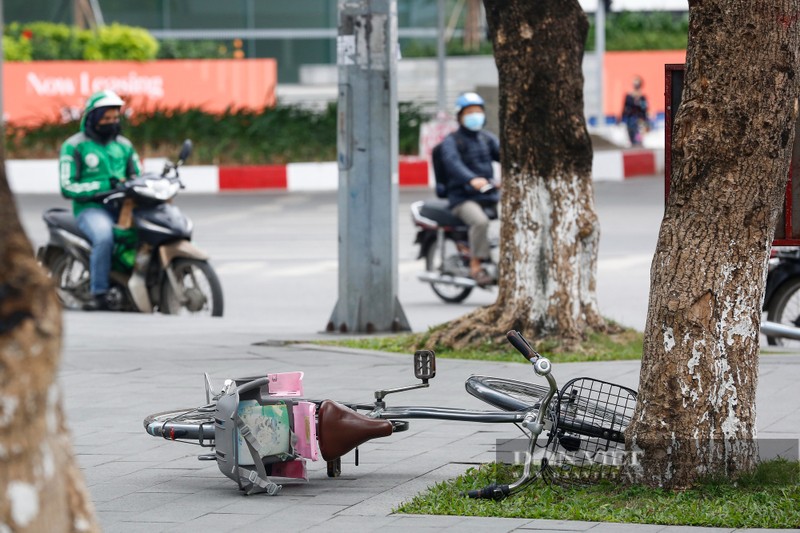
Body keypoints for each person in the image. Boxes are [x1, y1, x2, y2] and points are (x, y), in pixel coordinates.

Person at [59, 90, 142, 310]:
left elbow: (137, 176)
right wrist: (103, 186)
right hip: (91, 209)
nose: (111, 123)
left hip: (123, 208)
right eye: (106, 119)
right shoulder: (74, 146)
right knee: (104, 237)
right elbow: (67, 186)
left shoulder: (124, 146)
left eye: (115, 118)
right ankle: (100, 292)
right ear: (93, 119)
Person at [438, 92, 501, 287]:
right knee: (480, 222)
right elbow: (453, 163)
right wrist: (472, 179)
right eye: (470, 112)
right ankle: (476, 265)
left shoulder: (487, 139)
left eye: (478, 111)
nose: (475, 115)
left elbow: (504, 156)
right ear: (460, 116)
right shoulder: (452, 141)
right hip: (462, 198)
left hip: (488, 194)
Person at [621, 75, 649, 146]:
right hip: (630, 121)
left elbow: (644, 110)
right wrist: (622, 120)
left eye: (637, 83)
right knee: (631, 140)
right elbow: (625, 109)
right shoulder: (628, 96)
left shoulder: (642, 98)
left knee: (638, 140)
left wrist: (645, 122)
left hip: (639, 122)